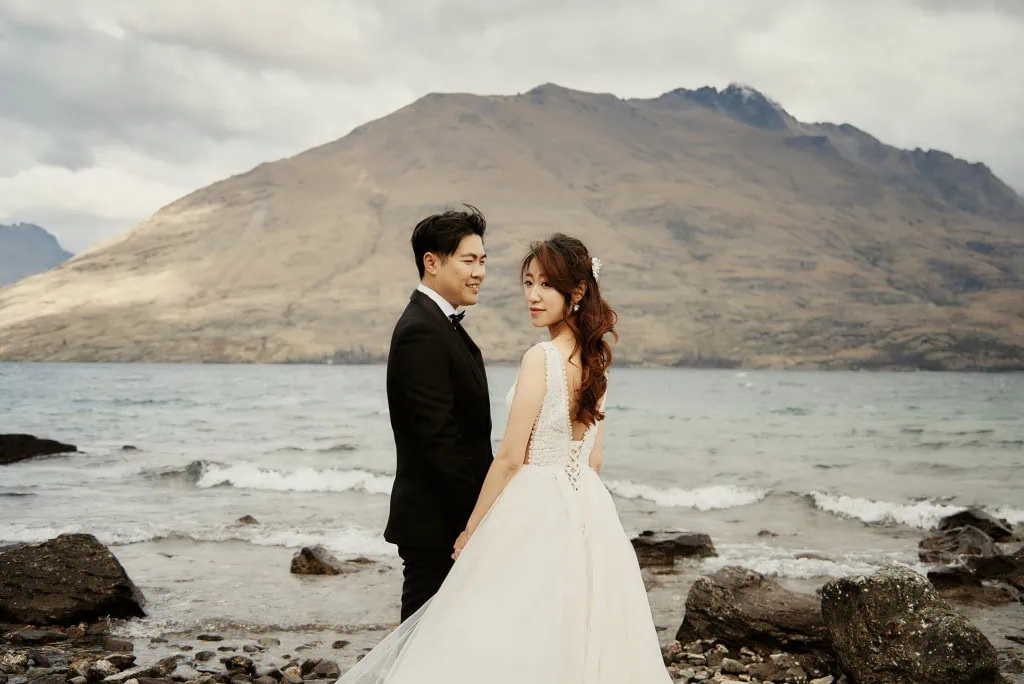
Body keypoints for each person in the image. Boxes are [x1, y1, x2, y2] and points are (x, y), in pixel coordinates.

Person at [341, 233, 672, 683]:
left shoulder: (542, 359)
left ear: (575, 294)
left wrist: (472, 529)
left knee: (497, 628)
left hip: (534, 503)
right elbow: (592, 460)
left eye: (546, 286)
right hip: (588, 511)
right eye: (528, 282)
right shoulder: (597, 363)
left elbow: (511, 459)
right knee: (576, 630)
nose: (533, 296)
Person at [383, 205, 492, 622]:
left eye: (482, 261)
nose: (479, 271)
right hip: (438, 524)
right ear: (432, 262)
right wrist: (477, 518)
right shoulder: (421, 332)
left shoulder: (441, 325)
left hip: (448, 519)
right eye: (468, 260)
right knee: (420, 641)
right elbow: (438, 440)